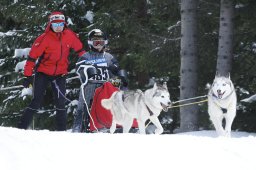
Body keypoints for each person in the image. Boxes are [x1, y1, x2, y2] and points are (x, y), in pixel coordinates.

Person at [17, 11, 86, 131]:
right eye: (55, 25)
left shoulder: (69, 35)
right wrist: (27, 75)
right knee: (36, 101)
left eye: (60, 24)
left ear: (64, 24)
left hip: (60, 74)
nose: (58, 27)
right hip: (43, 73)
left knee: (60, 103)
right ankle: (21, 128)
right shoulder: (44, 38)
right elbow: (32, 57)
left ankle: (61, 132)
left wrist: (88, 62)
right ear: (50, 24)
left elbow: (80, 50)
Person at [72, 29, 121, 133]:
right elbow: (78, 68)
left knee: (112, 100)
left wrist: (116, 72)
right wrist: (87, 70)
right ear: (91, 43)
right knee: (83, 103)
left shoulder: (108, 57)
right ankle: (78, 126)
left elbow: (117, 68)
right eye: (96, 42)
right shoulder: (85, 56)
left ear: (105, 43)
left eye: (101, 42)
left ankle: (112, 123)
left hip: (105, 86)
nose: (98, 45)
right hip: (90, 85)